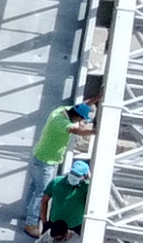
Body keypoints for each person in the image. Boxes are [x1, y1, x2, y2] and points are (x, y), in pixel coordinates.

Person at [23, 98, 93, 232]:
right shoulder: (63, 123)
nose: (81, 122)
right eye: (81, 120)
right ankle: (30, 223)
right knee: (42, 192)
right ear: (77, 116)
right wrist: (94, 132)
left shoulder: (60, 111)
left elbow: (85, 103)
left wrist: (97, 97)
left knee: (34, 187)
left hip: (40, 155)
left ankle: (28, 212)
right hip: (46, 161)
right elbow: (77, 131)